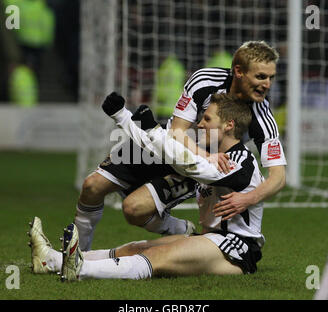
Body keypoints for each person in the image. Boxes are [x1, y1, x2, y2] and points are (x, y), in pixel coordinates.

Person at [74, 40, 286, 252]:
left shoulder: (262, 117)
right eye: (261, 76)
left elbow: (278, 176)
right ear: (239, 71)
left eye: (271, 77)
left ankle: (182, 230)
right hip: (164, 143)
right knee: (92, 186)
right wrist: (205, 154)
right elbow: (177, 131)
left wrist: (248, 198)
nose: (267, 84)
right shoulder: (205, 80)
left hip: (192, 168)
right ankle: (76, 255)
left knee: (134, 210)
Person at [28, 93, 265, 280]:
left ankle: (79, 270)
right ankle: (53, 260)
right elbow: (161, 150)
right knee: (133, 248)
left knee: (155, 256)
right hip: (209, 238)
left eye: (207, 119)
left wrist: (154, 131)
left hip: (236, 249)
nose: (200, 124)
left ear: (229, 125)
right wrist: (123, 117)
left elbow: (192, 165)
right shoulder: (213, 155)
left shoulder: (240, 161)